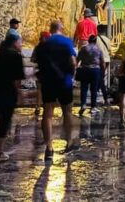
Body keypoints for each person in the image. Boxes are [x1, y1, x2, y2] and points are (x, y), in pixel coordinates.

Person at [38, 21, 79, 161]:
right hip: (64, 82)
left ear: (50, 29)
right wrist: (71, 75)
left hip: (48, 82)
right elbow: (73, 62)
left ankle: (49, 148)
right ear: (62, 28)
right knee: (67, 112)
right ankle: (69, 142)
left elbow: (38, 62)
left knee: (47, 114)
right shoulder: (66, 42)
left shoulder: (44, 43)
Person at [0, 34, 25, 162]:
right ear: (14, 43)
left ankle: (0, 147)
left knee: (4, 119)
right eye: (19, 42)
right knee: (5, 121)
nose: (21, 45)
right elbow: (18, 78)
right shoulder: (15, 56)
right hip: (8, 91)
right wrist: (18, 93)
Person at [77, 35, 103, 116]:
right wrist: (102, 71)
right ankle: (93, 107)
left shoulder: (84, 48)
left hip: (85, 70)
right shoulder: (99, 50)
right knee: (94, 89)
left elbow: (78, 59)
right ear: (95, 41)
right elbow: (102, 62)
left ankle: (83, 105)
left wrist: (76, 68)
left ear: (88, 40)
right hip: (95, 71)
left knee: (84, 88)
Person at [30, 31, 51, 118]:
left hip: (40, 71)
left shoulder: (37, 47)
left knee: (39, 90)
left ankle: (38, 107)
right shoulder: (50, 48)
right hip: (49, 72)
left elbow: (32, 59)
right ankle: (47, 107)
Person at [96, 24, 113, 105]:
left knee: (100, 78)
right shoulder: (107, 39)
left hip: (98, 60)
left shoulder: (96, 39)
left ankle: (100, 94)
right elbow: (110, 49)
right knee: (101, 77)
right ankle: (103, 96)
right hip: (106, 60)